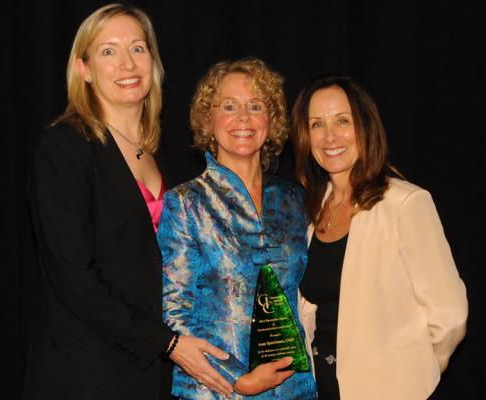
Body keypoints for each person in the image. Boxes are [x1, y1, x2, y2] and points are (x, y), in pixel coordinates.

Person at [24, 4, 233, 399]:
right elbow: (75, 280)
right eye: (109, 51)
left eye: (138, 48)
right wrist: (167, 343)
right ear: (84, 69)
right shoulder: (64, 148)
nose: (127, 63)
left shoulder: (167, 152)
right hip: (89, 373)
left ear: (153, 62)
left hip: (156, 374)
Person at [291, 75, 468, 399]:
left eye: (342, 121)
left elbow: (450, 315)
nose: (330, 136)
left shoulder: (404, 204)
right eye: (317, 124)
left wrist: (411, 377)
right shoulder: (312, 210)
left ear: (364, 126)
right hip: (322, 389)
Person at [158, 58, 318, 399]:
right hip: (216, 391)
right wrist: (236, 379)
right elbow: (174, 313)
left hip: (296, 390)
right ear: (208, 118)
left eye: (255, 106)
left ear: (270, 120)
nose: (243, 118)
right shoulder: (186, 203)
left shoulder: (296, 201)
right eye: (229, 106)